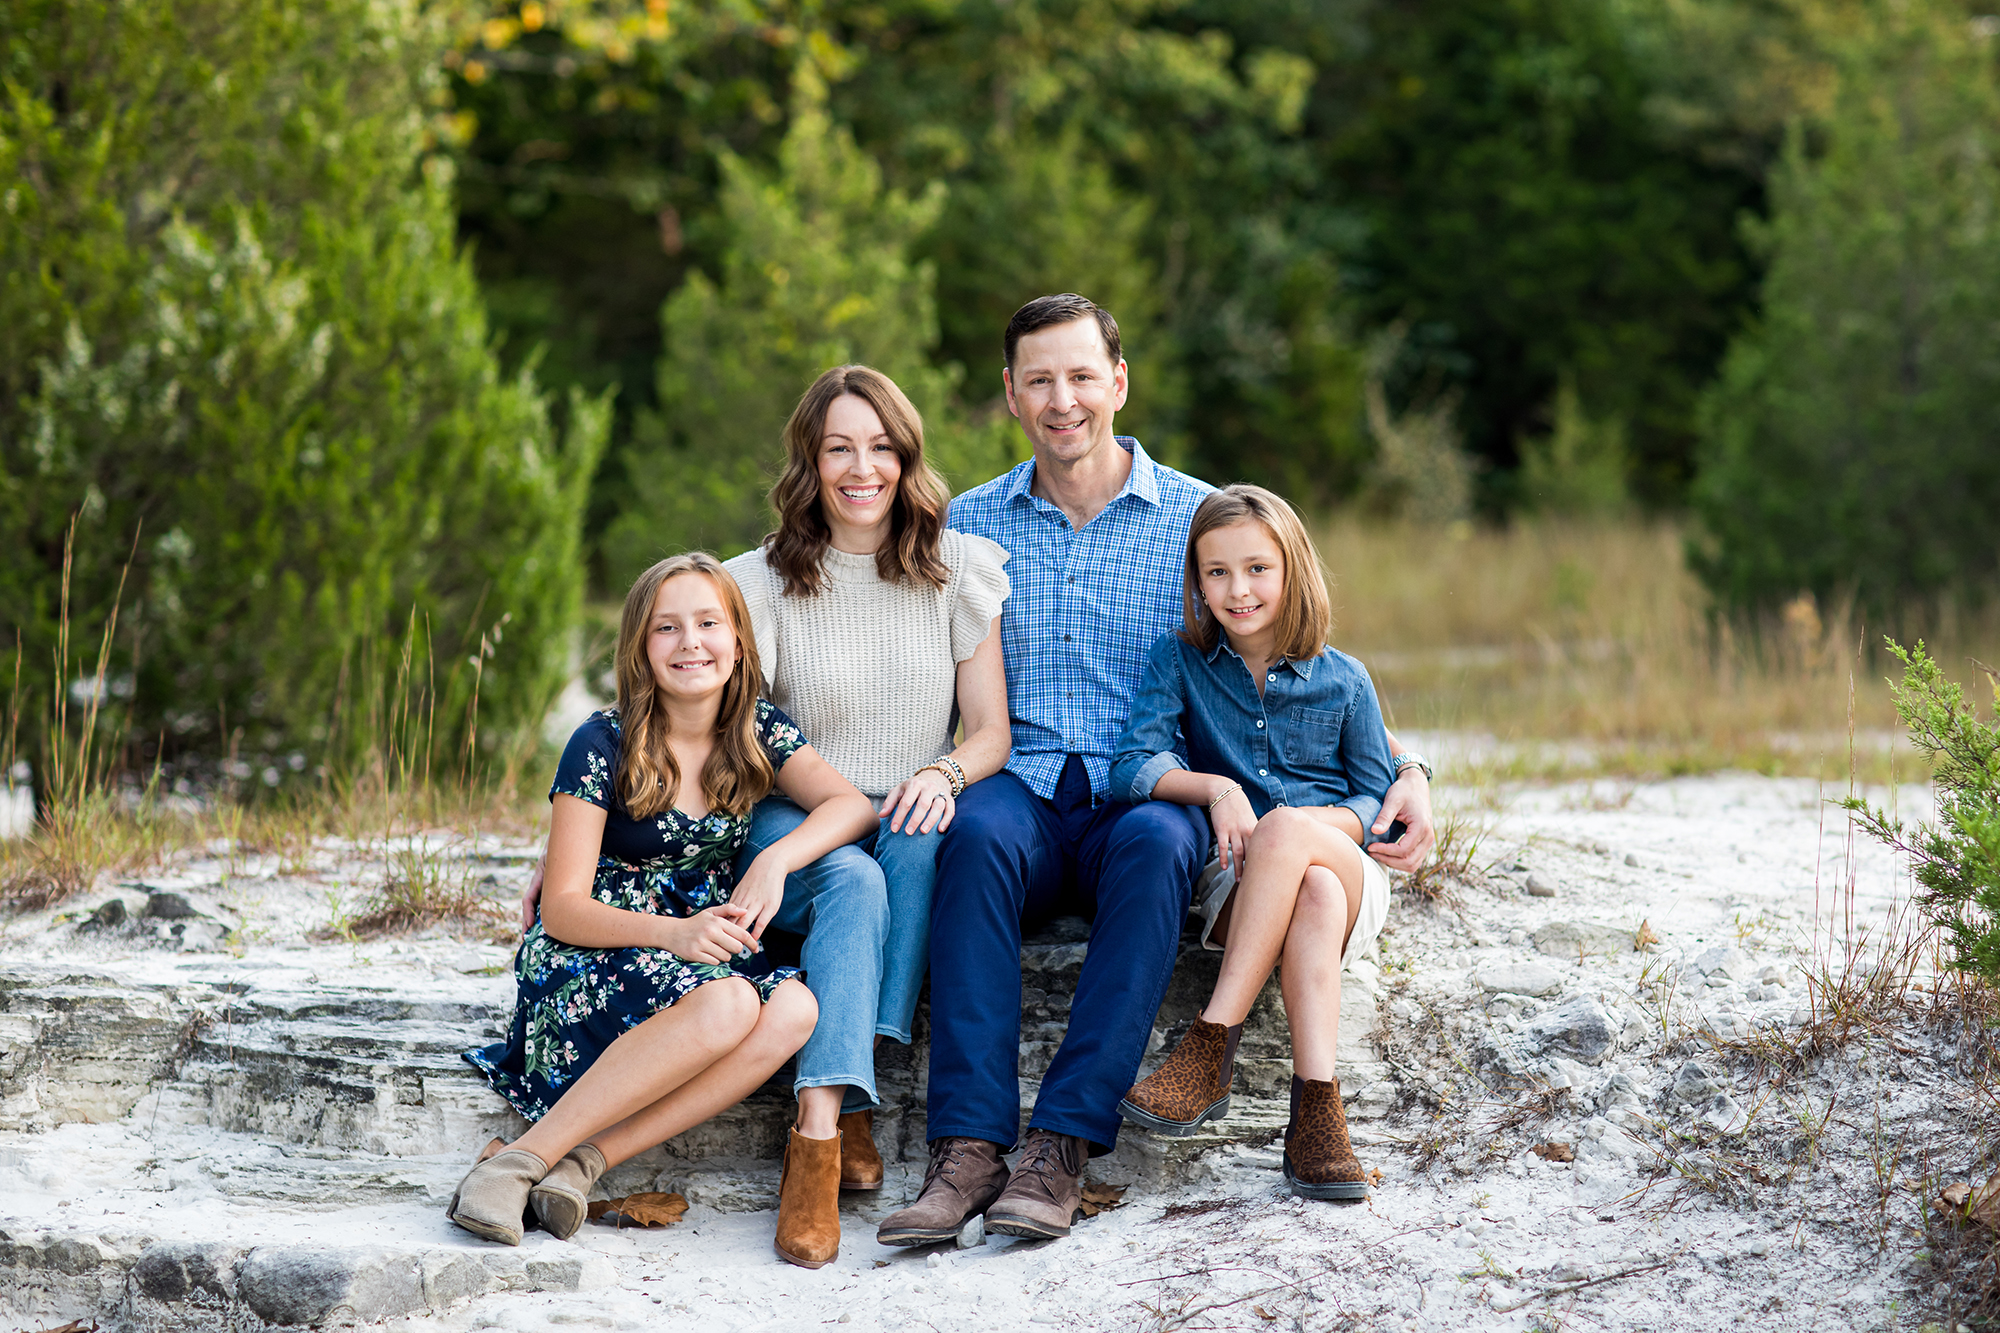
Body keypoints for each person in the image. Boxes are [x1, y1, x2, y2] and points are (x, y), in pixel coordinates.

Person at [876, 294, 1437, 1248]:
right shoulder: (966, 528)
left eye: (1082, 376)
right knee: (971, 836)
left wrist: (1409, 765)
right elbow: (900, 661)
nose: (1063, 400)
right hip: (1020, 780)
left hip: (1152, 795)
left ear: (1119, 383)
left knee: (1156, 847)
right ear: (1010, 393)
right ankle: (966, 1149)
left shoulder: (1196, 518)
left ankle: (1061, 1146)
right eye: (1040, 380)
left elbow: (1302, 660)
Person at [459, 553, 879, 1271]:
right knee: (730, 1004)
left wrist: (775, 860)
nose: (691, 643)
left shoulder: (754, 729)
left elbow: (851, 805)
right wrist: (675, 934)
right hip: (597, 948)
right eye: (667, 627)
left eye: (709, 623)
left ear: (738, 640)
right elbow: (561, 909)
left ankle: (583, 1163)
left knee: (795, 1010)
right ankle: (515, 1162)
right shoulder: (602, 741)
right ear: (641, 646)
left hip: (695, 944)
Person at [722, 365, 1011, 1251]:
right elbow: (708, 723)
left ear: (906, 457)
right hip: (798, 813)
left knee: (917, 842)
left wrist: (945, 773)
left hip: (905, 803)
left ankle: (848, 1093)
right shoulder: (758, 582)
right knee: (852, 875)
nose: (862, 468)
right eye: (839, 447)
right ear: (810, 461)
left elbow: (990, 733)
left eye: (881, 447)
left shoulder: (957, 569)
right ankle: (826, 1129)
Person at [1111, 484, 1394, 1199]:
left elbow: (1373, 799)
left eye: (1257, 568)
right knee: (1311, 890)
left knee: (1305, 849)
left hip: (1349, 870)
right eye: (1218, 572)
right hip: (1240, 883)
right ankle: (1317, 1116)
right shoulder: (1180, 661)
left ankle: (1211, 1043)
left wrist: (1301, 827)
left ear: (1292, 568)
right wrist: (1216, 788)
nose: (1238, 590)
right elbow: (1133, 765)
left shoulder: (1345, 678)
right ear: (1198, 581)